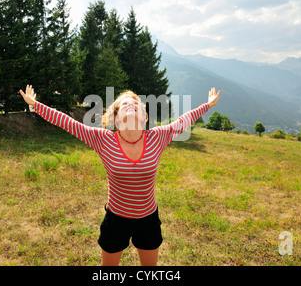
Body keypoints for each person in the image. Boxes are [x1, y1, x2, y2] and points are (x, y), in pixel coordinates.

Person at [19, 85, 221, 266]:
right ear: (115, 118)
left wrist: (208, 105)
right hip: (116, 220)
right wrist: (35, 105)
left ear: (144, 116)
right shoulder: (103, 139)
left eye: (136, 104)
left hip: (148, 219)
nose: (131, 105)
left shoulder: (158, 137)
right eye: (124, 104)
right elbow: (67, 122)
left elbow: (185, 120)